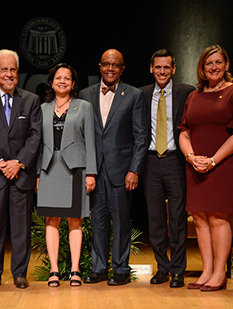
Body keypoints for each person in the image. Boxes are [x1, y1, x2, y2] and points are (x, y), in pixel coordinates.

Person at [179, 45, 233, 291]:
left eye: (218, 62)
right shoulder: (194, 95)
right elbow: (184, 131)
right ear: (202, 67)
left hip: (224, 164)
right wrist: (191, 157)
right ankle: (206, 271)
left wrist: (213, 160)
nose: (214, 67)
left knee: (219, 217)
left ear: (226, 64)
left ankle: (220, 273)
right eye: (209, 63)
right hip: (196, 165)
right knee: (199, 218)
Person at [0, 49, 42, 289]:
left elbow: (35, 137)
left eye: (13, 69)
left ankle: (20, 273)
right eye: (4, 70)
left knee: (21, 227)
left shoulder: (31, 100)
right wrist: (0, 163)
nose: (9, 74)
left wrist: (19, 163)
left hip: (21, 175)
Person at [80, 49, 147, 286]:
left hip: (122, 170)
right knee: (97, 221)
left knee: (120, 221)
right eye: (107, 64)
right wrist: (87, 169)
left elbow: (141, 136)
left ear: (122, 69)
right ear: (99, 66)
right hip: (94, 170)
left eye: (115, 65)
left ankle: (120, 268)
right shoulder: (85, 95)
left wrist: (134, 170)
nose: (110, 68)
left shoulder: (134, 95)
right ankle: (98, 268)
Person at [36, 63, 97, 287]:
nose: (62, 81)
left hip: (76, 170)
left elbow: (90, 142)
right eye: (58, 78)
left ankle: (74, 269)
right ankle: (54, 270)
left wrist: (91, 172)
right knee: (51, 220)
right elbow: (39, 145)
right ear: (52, 82)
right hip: (49, 169)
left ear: (73, 83)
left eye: (67, 78)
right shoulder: (42, 109)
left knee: (75, 220)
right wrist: (37, 174)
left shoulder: (84, 107)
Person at [139, 49, 194, 288]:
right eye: (157, 67)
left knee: (178, 220)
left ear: (173, 69)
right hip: (151, 162)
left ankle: (179, 270)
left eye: (166, 67)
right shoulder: (141, 94)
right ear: (151, 68)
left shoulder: (187, 92)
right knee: (156, 220)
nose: (162, 71)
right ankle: (163, 268)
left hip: (176, 162)